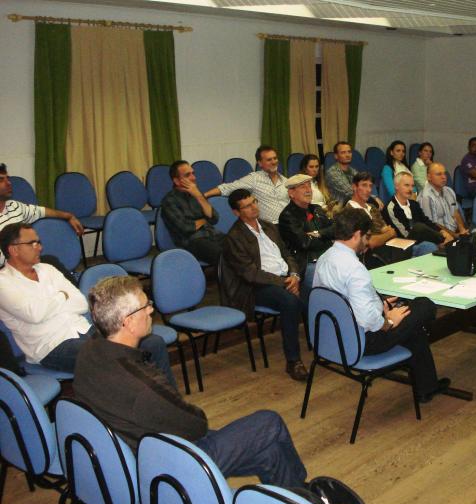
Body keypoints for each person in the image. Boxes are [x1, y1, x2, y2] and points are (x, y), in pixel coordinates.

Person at [73, 275, 308, 487]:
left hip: (138, 451)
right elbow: (196, 426)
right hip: (167, 470)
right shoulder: (140, 387)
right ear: (128, 321)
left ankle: (302, 503)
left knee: (269, 453)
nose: (151, 311)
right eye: (145, 306)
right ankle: (307, 495)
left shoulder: (90, 351)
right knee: (269, 422)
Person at [0, 223, 174, 384]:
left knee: (153, 343)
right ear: (14, 249)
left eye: (39, 242)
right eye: (33, 243)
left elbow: (81, 303)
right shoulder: (3, 282)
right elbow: (35, 314)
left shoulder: (47, 269)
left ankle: (171, 405)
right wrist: (62, 296)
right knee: (114, 354)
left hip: (85, 331)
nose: (40, 247)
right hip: (51, 347)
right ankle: (139, 406)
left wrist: (51, 304)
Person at [313, 207, 450, 402]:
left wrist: (379, 304)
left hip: (333, 336)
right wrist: (388, 322)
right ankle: (425, 385)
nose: (368, 242)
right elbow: (368, 320)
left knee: (410, 322)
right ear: (356, 235)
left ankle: (427, 387)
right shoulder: (354, 268)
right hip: (363, 341)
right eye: (366, 236)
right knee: (424, 305)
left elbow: (341, 300)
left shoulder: (325, 259)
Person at [220, 189, 308, 382]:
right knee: (290, 301)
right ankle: (293, 361)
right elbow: (249, 274)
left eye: (254, 202)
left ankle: (324, 344)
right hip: (255, 288)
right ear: (236, 212)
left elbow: (287, 254)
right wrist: (284, 282)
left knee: (315, 284)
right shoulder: (234, 237)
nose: (254, 207)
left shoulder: (268, 227)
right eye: (247, 206)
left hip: (285, 278)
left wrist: (294, 274)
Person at [0, 163, 84, 269]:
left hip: (24, 263)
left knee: (51, 261)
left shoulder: (14, 206)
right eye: (1, 180)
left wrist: (69, 216)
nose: (8, 183)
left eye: (8, 179)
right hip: (7, 271)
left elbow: (42, 211)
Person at [160, 160, 224, 266]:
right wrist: (204, 220)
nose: (193, 178)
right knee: (222, 255)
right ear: (176, 181)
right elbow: (186, 228)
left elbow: (214, 218)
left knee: (240, 247)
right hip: (193, 242)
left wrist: (199, 196)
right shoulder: (169, 201)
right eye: (187, 175)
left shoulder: (196, 194)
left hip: (212, 235)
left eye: (193, 173)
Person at [278, 175, 334, 293]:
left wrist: (318, 233)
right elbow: (305, 243)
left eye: (309, 186)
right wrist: (328, 238)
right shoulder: (287, 216)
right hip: (308, 262)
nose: (308, 190)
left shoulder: (316, 209)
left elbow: (335, 229)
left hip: (328, 256)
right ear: (291, 193)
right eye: (303, 187)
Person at [205, 146, 288, 224]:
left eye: (275, 158)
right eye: (269, 160)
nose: (274, 162)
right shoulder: (254, 179)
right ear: (260, 163)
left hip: (288, 224)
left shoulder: (286, 181)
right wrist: (204, 195)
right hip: (269, 227)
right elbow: (227, 188)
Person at [347, 172, 409, 268]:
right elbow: (370, 242)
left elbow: (392, 232)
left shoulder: (372, 207)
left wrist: (384, 235)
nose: (368, 190)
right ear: (354, 187)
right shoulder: (350, 210)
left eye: (370, 186)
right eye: (364, 185)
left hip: (384, 249)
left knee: (409, 248)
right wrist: (387, 234)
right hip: (367, 256)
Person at [382, 172, 450, 256]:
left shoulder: (414, 204)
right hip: (402, 245)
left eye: (412, 186)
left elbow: (426, 222)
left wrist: (442, 231)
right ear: (396, 186)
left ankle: (447, 241)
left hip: (419, 239)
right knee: (418, 227)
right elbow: (404, 235)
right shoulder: (390, 208)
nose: (410, 189)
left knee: (426, 231)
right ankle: (445, 241)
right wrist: (440, 238)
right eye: (406, 185)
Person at [417, 162, 469, 238]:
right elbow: (432, 225)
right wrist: (455, 236)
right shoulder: (426, 197)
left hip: (456, 233)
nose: (444, 177)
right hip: (441, 237)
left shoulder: (449, 191)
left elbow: (455, 213)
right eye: (439, 174)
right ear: (429, 177)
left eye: (444, 174)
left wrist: (462, 230)